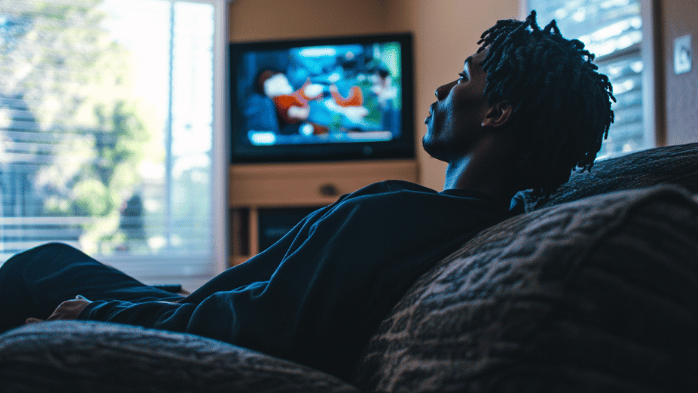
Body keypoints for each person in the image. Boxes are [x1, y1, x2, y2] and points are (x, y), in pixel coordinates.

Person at [0, 12, 614, 382]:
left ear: (498, 112)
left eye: (465, 77)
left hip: (204, 327)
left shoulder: (401, 213)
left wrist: (104, 317)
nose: (443, 89)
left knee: (39, 266)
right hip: (204, 307)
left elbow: (268, 324)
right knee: (53, 260)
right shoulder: (482, 218)